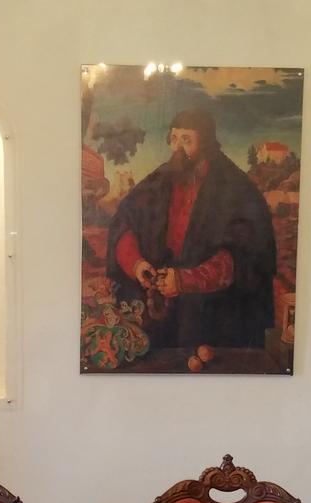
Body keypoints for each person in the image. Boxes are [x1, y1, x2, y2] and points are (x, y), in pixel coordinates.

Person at [105, 108, 276, 350]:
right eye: (174, 138)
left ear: (205, 143)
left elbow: (245, 254)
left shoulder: (235, 188)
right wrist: (137, 264)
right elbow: (124, 224)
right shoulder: (158, 180)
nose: (177, 147)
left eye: (186, 140)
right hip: (159, 308)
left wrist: (186, 280)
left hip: (213, 313)